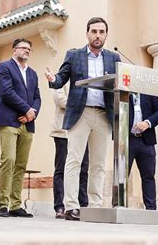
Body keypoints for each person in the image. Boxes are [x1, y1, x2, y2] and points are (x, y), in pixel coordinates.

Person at [45, 17, 121, 221]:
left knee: (98, 163)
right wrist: (54, 80)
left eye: (102, 32)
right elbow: (62, 77)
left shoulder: (113, 58)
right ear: (87, 33)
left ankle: (95, 205)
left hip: (104, 115)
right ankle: (71, 206)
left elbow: (120, 84)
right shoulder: (74, 55)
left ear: (106, 35)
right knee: (74, 160)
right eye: (94, 31)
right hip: (81, 112)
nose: (98, 35)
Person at [0, 38, 41, 218]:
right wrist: (26, 109)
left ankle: (15, 205)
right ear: (14, 50)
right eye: (23, 48)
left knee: (21, 165)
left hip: (28, 123)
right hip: (9, 121)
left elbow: (37, 96)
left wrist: (32, 112)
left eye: (29, 49)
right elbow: (6, 92)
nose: (27, 51)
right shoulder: (4, 67)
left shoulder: (33, 73)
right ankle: (3, 204)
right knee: (9, 160)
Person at [51, 84, 89, 219]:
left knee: (83, 169)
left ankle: (83, 205)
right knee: (61, 169)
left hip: (83, 130)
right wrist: (82, 105)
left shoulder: (86, 79)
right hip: (63, 132)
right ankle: (60, 206)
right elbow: (60, 100)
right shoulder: (61, 79)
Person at [128, 93, 158, 211]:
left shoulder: (149, 91)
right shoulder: (122, 89)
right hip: (127, 139)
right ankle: (118, 208)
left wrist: (147, 123)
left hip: (146, 140)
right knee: (121, 176)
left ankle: (151, 210)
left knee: (148, 176)